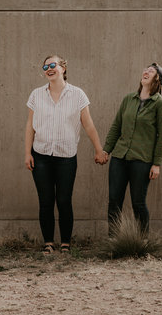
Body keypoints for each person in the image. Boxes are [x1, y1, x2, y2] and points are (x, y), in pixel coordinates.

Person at [25, 54, 107, 254]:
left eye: (52, 65)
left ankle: (65, 244)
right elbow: (30, 126)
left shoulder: (77, 95)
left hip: (66, 157)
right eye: (45, 66)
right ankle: (48, 243)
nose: (48, 69)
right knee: (45, 200)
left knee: (63, 200)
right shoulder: (36, 94)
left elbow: (88, 124)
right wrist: (27, 153)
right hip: (41, 154)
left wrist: (99, 149)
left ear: (63, 68)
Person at [102, 63, 162, 235]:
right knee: (114, 201)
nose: (146, 71)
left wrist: (157, 164)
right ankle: (114, 241)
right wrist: (106, 150)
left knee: (138, 203)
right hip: (119, 157)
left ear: (158, 79)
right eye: (145, 69)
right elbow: (116, 127)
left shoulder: (161, 104)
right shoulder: (128, 99)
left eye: (152, 71)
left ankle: (143, 241)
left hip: (142, 161)